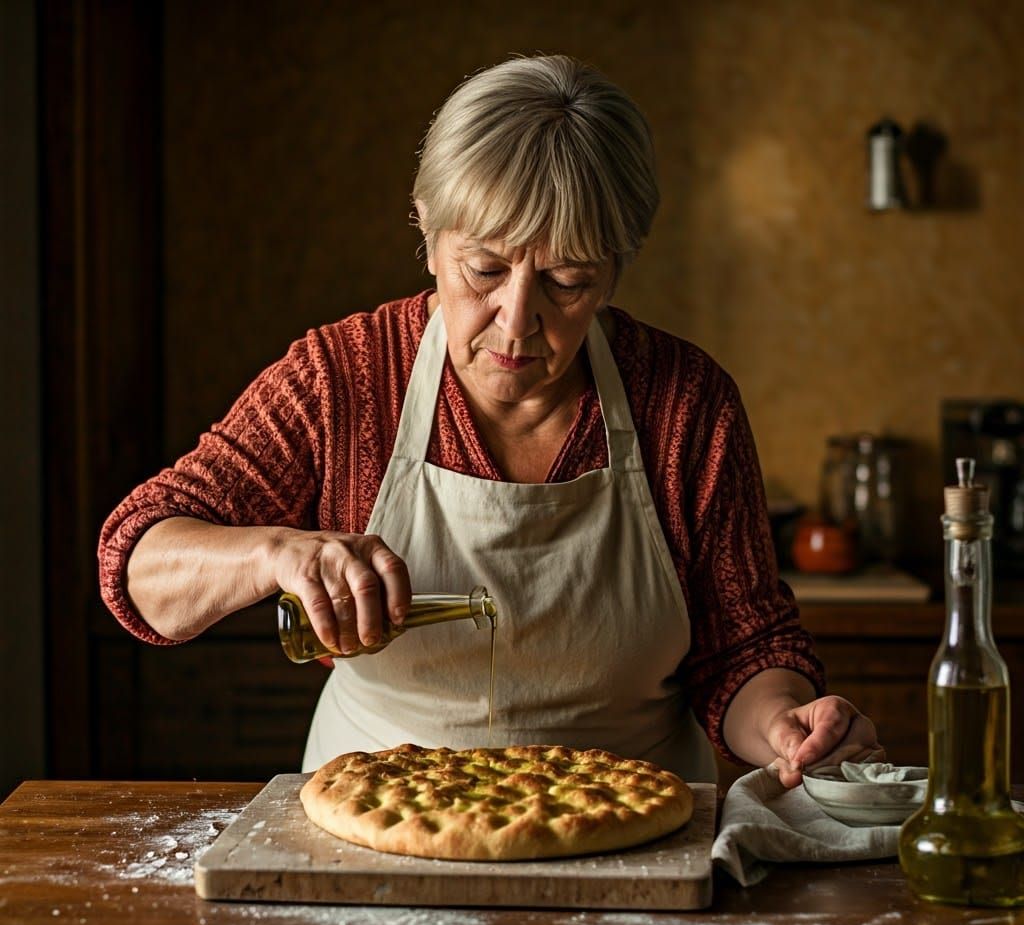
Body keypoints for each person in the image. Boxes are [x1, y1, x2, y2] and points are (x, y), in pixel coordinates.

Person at [98, 54, 883, 787]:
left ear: (615, 271)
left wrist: (785, 723)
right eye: (484, 270)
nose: (516, 320)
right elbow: (137, 565)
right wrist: (275, 553)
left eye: (567, 282)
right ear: (427, 233)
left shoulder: (685, 404)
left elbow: (743, 649)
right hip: (379, 821)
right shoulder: (342, 381)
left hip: (626, 829)